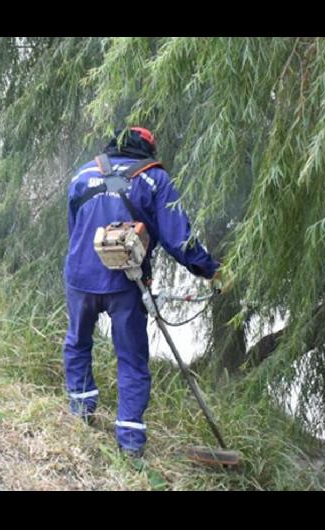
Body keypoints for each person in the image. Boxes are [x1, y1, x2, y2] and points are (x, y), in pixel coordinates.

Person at [63, 126, 221, 458]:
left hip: (80, 274)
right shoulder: (154, 179)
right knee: (132, 359)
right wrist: (211, 270)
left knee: (78, 342)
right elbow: (179, 241)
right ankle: (131, 444)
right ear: (147, 151)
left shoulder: (82, 174)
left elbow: (74, 228)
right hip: (125, 282)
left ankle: (79, 413)